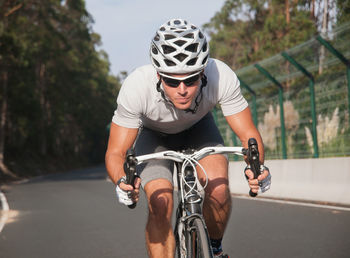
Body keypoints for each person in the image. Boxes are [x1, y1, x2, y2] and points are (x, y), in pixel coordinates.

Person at [105, 18, 271, 258]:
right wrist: (123, 181)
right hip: (154, 136)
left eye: (191, 79)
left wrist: (256, 168)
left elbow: (248, 134)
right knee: (161, 205)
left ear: (203, 72)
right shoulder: (136, 87)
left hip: (199, 128)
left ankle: (213, 248)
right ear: (159, 74)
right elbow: (116, 152)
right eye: (172, 81)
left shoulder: (220, 75)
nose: (182, 89)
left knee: (219, 189)